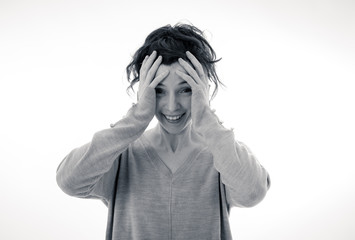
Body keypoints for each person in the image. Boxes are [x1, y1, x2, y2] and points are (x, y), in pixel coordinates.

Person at [56, 23, 270, 240]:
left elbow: (253, 192)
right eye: (158, 91)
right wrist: (137, 117)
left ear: (203, 90)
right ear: (143, 91)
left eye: (185, 90)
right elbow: (69, 181)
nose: (171, 106)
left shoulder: (221, 154)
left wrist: (205, 117)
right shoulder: (122, 154)